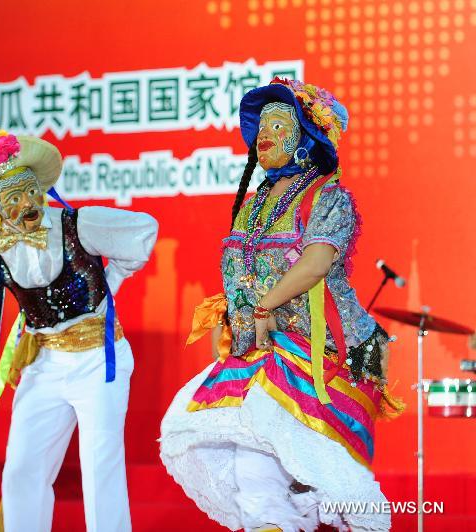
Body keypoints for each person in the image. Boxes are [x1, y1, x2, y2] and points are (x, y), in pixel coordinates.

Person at [159, 79, 404, 532]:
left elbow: (315, 263)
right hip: (260, 350)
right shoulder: (252, 206)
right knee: (252, 464)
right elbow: (240, 273)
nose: (263, 135)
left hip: (322, 350)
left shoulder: (327, 196)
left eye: (278, 124)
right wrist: (233, 320)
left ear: (307, 139)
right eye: (260, 126)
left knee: (324, 483)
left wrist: (263, 305)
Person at [0, 127, 158, 532]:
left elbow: (142, 232)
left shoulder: (76, 224)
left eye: (30, 191)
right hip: (44, 362)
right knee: (22, 470)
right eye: (12, 198)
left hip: (98, 359)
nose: (27, 204)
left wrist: (110, 287)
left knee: (100, 464)